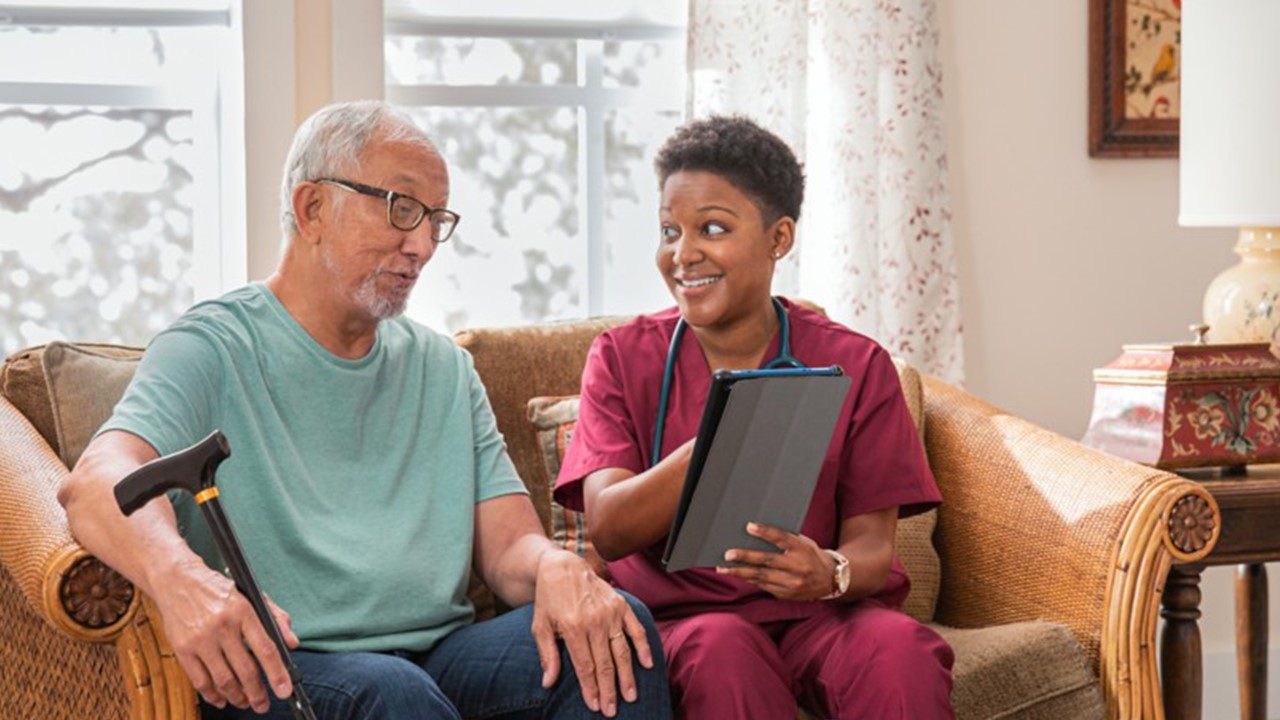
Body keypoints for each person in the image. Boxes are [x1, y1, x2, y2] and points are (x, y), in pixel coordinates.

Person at [59, 100, 670, 720]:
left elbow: (510, 549)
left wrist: (555, 569)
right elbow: (95, 483)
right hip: (290, 665)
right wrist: (181, 580)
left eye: (436, 220)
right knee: (391, 691)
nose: (424, 244)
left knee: (623, 629)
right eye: (402, 209)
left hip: (438, 656)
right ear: (312, 207)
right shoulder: (211, 347)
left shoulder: (445, 368)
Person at [553, 115, 955, 720]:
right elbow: (608, 528)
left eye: (711, 228)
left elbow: (871, 550)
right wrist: (725, 434)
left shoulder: (854, 363)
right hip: (689, 623)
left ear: (779, 237)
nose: (682, 255)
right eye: (669, 230)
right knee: (724, 652)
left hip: (821, 617)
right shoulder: (620, 357)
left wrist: (829, 573)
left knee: (901, 652)